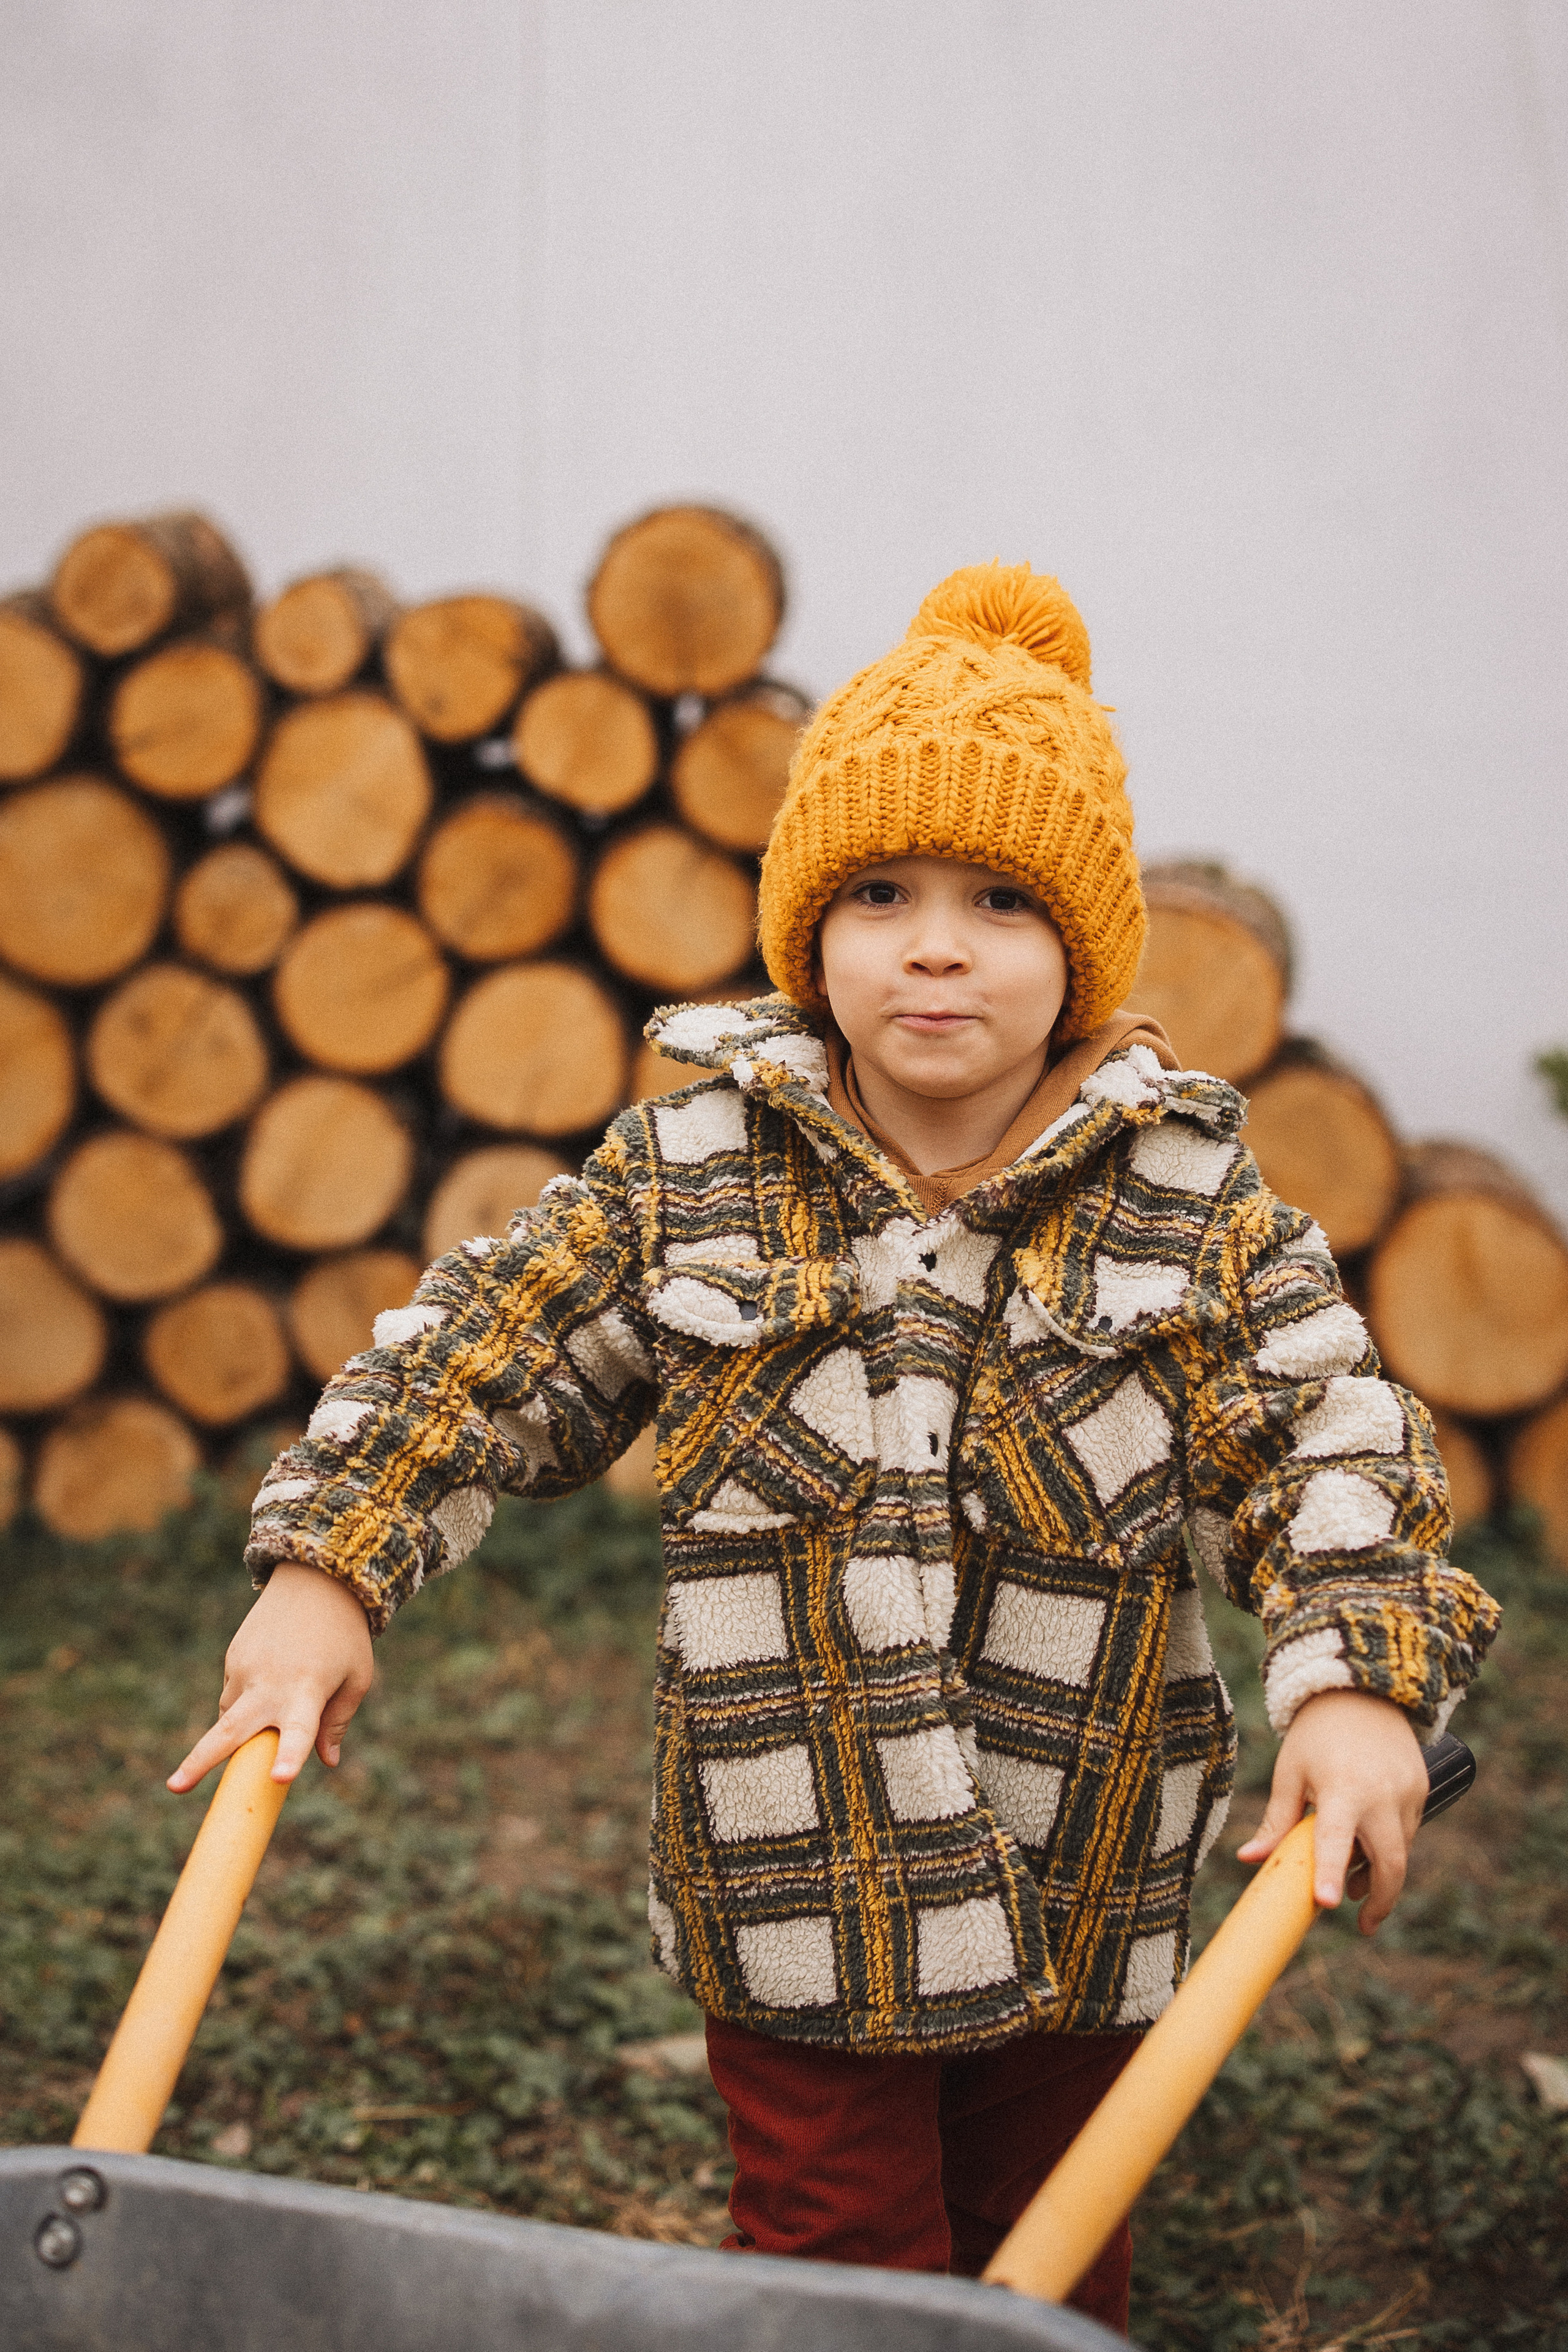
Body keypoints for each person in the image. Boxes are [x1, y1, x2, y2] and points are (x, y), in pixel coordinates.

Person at [172, 564, 1499, 2335]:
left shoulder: (1191, 1208)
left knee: (1052, 2253)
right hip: (792, 1878)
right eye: (880, 891)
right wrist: (329, 1563)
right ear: (812, 929)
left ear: (1085, 953)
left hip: (1078, 1872)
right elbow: (485, 1352)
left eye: (999, 902)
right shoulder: (695, 1165)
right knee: (831, 2269)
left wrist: (1353, 1682)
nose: (934, 943)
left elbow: (1332, 1439)